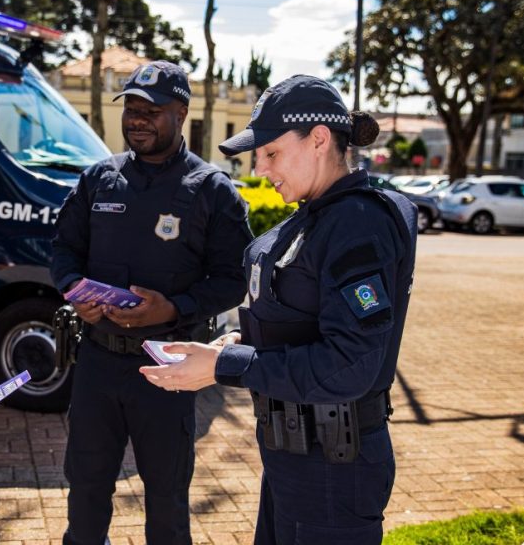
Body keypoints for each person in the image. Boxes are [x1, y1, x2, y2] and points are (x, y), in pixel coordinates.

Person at [140, 74, 418, 544]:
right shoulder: (318, 215)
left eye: (271, 153)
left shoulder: (356, 224)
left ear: (320, 139)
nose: (261, 167)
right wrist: (240, 342)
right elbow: (304, 320)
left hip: (333, 467)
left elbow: (351, 365)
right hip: (298, 456)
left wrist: (226, 365)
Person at [52, 60, 253, 545]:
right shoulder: (98, 179)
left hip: (166, 368)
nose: (138, 120)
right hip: (97, 363)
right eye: (132, 109)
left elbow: (234, 279)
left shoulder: (211, 190)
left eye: (152, 111)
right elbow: (63, 251)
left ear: (181, 113)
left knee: (166, 500)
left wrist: (174, 308)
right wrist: (76, 291)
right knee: (85, 491)